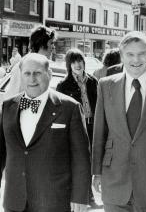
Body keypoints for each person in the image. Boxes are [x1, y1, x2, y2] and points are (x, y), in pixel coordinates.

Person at [0, 53, 91, 212]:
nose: (32, 79)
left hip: (54, 200)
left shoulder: (70, 108)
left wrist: (80, 196)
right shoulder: (9, 105)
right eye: (27, 73)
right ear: (21, 75)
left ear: (49, 74)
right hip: (15, 199)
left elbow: (81, 157)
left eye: (37, 73)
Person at [92, 31, 146, 212]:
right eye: (130, 54)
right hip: (114, 178)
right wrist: (97, 171)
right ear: (122, 56)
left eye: (141, 54)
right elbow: (99, 132)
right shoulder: (106, 85)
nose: (136, 60)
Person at [56, 49, 100, 209]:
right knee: (80, 162)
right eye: (73, 62)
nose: (78, 64)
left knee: (90, 162)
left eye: (80, 60)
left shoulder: (93, 81)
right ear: (69, 65)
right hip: (75, 128)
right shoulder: (63, 85)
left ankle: (89, 197)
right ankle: (84, 197)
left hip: (92, 125)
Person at [4, 25, 56, 100]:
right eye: (51, 43)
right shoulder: (21, 66)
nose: (53, 47)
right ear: (42, 44)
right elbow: (12, 98)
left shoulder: (46, 67)